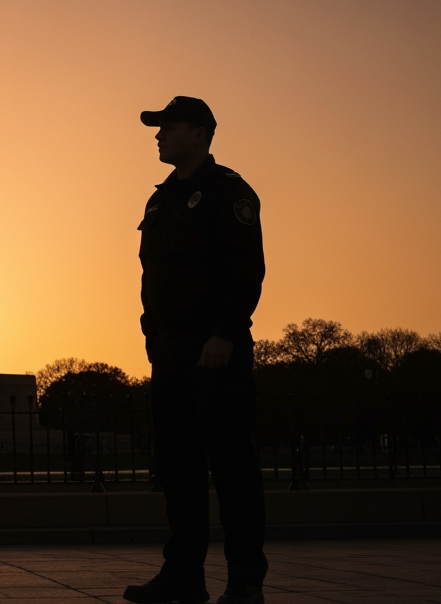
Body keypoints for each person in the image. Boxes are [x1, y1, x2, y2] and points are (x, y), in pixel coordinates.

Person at [124, 97, 267, 604]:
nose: (159, 135)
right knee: (179, 473)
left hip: (216, 353)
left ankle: (245, 581)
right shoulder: (159, 201)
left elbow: (245, 269)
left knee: (232, 471)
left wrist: (225, 334)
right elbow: (151, 279)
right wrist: (153, 339)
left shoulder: (228, 192)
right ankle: (182, 577)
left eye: (169, 126)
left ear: (201, 133)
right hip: (171, 354)